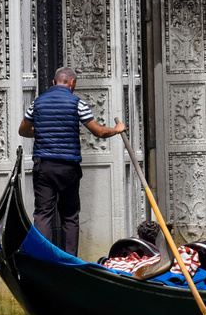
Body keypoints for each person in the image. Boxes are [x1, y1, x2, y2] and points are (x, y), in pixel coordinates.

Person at [18, 66, 126, 255]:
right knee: (69, 216)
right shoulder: (78, 103)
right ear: (72, 83)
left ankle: (42, 258)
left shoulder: (37, 103)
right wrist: (117, 129)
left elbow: (23, 131)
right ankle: (69, 261)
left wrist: (41, 131)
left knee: (43, 214)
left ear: (54, 82)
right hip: (68, 167)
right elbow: (98, 132)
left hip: (44, 166)